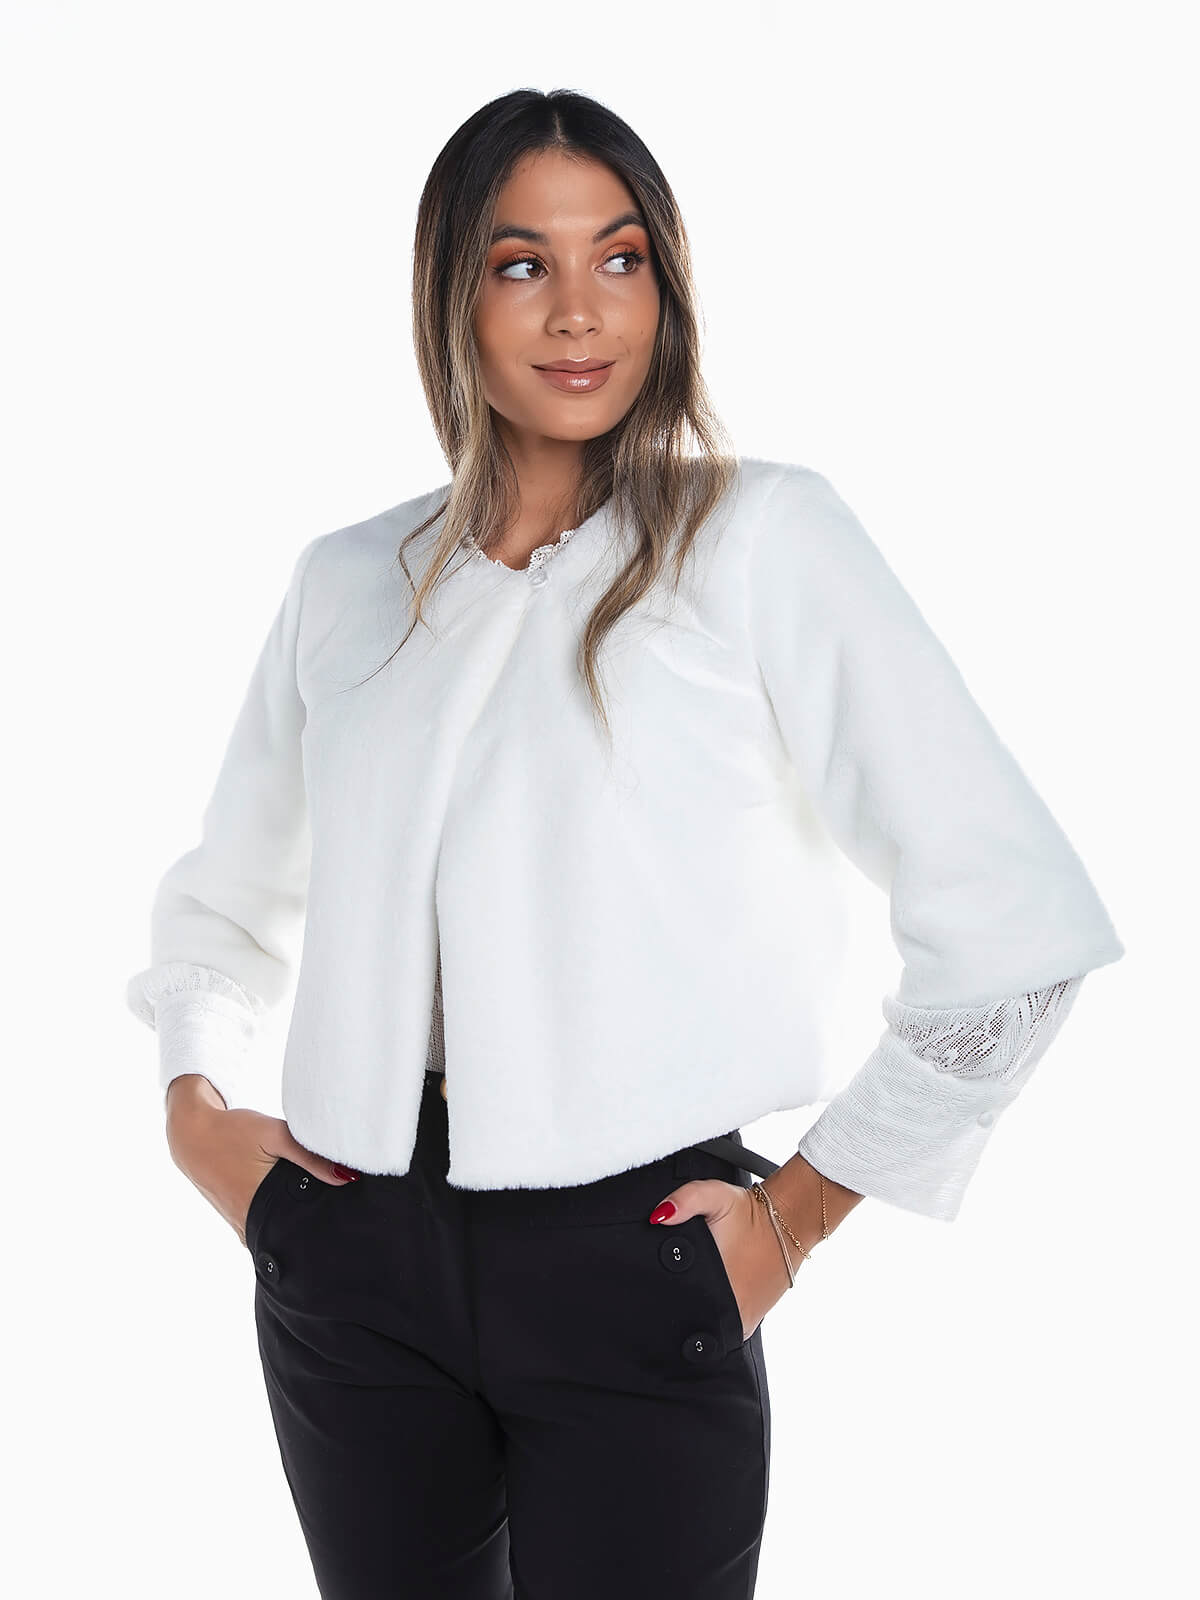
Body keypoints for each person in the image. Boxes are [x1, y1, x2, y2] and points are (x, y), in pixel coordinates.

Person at [125, 88, 1125, 1600]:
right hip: (350, 1247)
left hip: (639, 1253)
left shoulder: (762, 538)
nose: (580, 311)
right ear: (451, 291)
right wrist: (199, 1116)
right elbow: (226, 899)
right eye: (522, 263)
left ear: (669, 285)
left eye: (623, 257)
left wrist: (790, 1220)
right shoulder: (348, 581)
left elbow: (1017, 928)